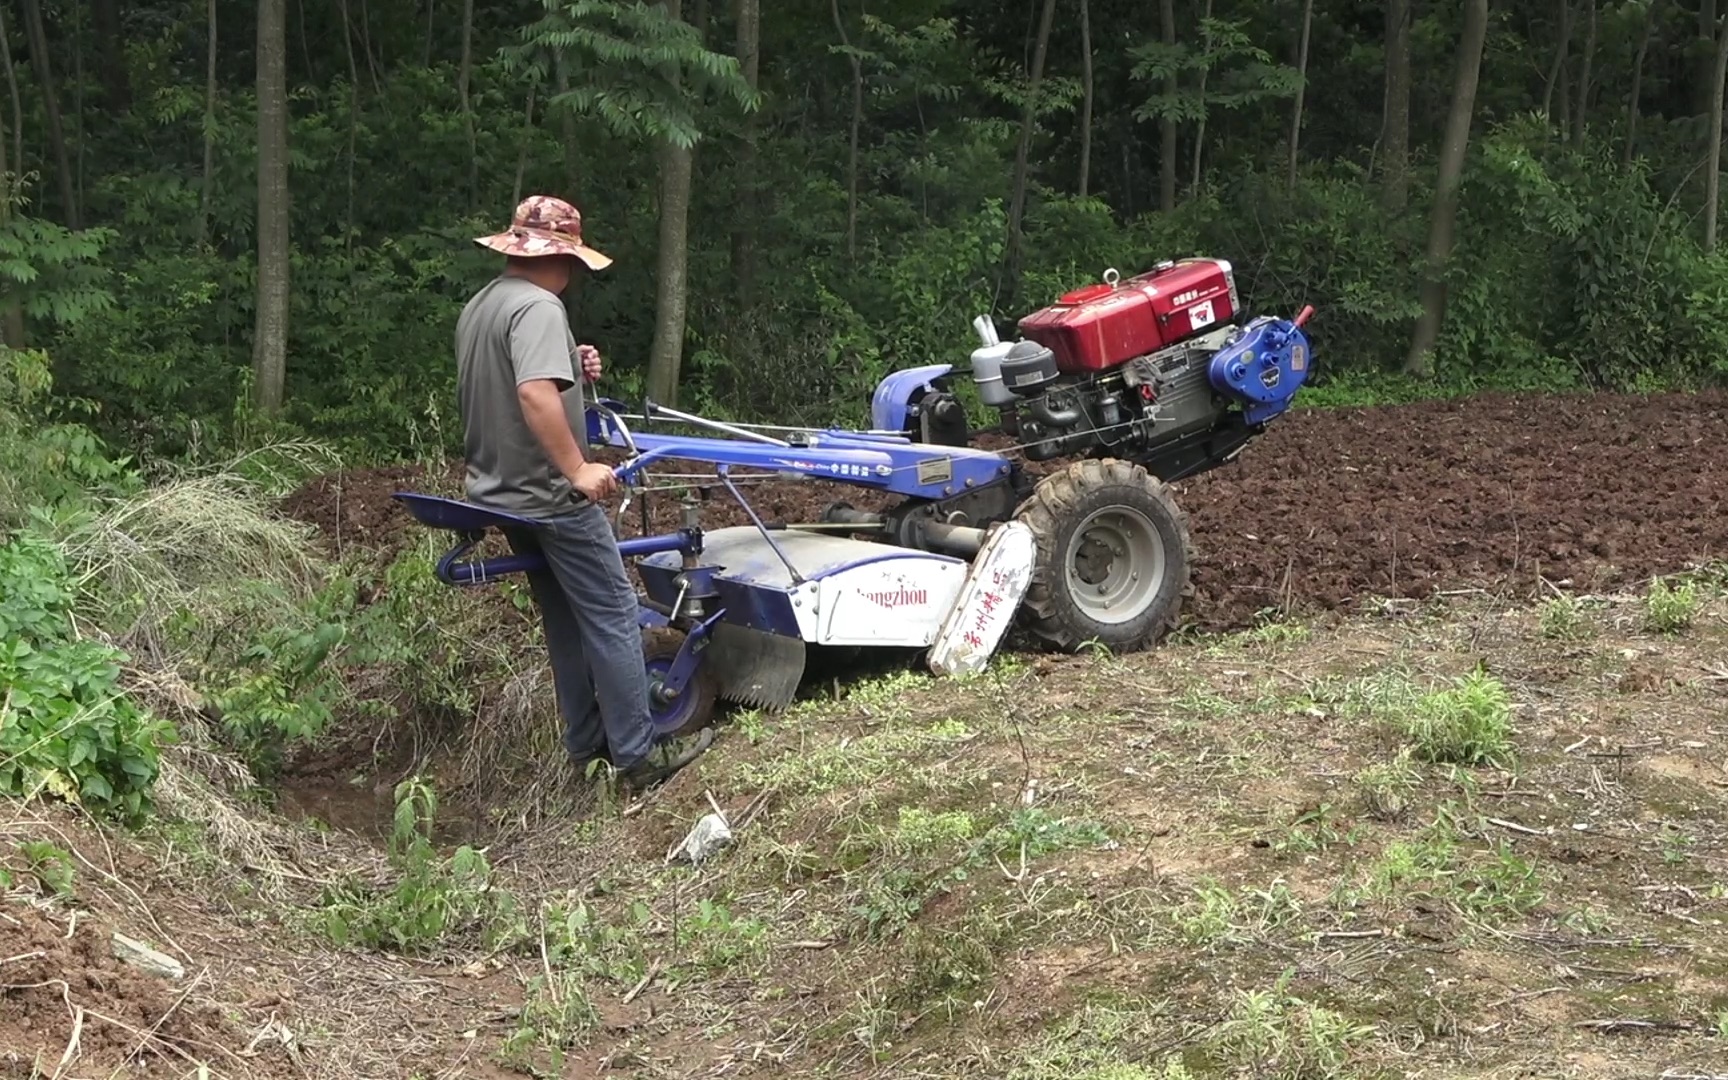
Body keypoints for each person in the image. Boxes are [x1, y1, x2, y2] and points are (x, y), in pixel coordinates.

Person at [456, 194, 714, 792]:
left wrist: (569, 359)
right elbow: (533, 395)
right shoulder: (541, 307)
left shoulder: (485, 304)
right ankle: (638, 756)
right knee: (616, 616)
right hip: (550, 495)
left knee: (566, 621)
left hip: (500, 492)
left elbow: (512, 376)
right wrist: (577, 468)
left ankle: (587, 746)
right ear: (559, 256)